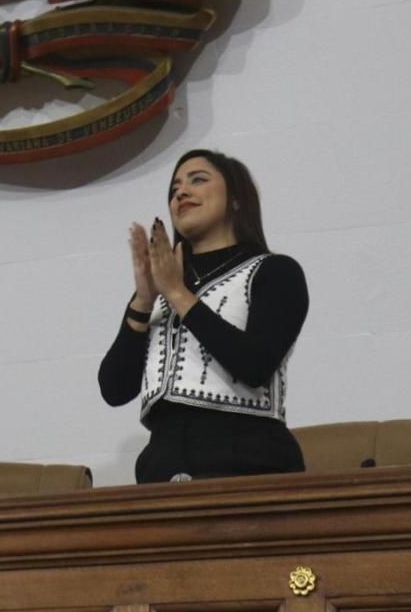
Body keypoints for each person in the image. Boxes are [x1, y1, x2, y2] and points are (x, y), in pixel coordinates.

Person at [98, 148, 309, 482]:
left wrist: (179, 294)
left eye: (198, 180)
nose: (181, 192)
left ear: (237, 199)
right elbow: (114, 388)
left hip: (248, 462)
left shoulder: (274, 272)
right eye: (174, 188)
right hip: (162, 465)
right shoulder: (161, 289)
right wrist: (142, 299)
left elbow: (254, 364)